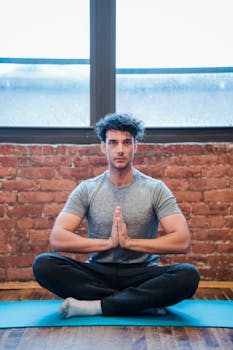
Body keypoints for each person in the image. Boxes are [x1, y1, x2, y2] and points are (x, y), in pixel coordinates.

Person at [33, 113, 200, 318]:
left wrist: (129, 242)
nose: (120, 149)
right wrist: (109, 243)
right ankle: (138, 303)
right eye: (113, 142)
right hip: (98, 272)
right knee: (44, 265)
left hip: (142, 273)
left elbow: (182, 241)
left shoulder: (155, 189)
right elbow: (58, 239)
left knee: (188, 276)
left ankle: (98, 306)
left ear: (135, 146)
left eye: (126, 142)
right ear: (103, 147)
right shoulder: (87, 189)